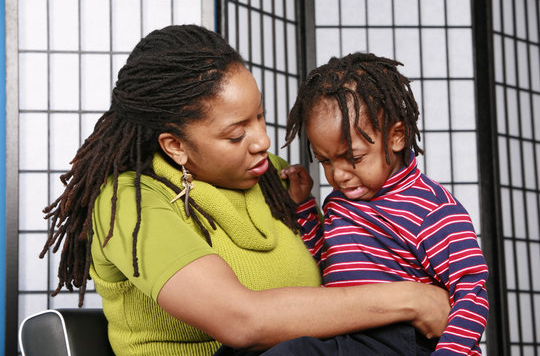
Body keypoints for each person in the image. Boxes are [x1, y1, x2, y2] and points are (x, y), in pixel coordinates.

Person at [41, 25, 450, 356]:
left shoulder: (273, 178)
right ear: (176, 146)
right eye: (237, 134)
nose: (263, 142)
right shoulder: (130, 202)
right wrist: (412, 300)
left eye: (260, 117)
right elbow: (242, 321)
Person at [281, 52, 489, 355]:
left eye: (353, 158)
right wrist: (303, 208)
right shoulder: (340, 202)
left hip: (401, 341)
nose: (338, 175)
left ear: (397, 136)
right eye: (325, 161)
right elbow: (322, 264)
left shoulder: (432, 209)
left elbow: (471, 291)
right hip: (343, 329)